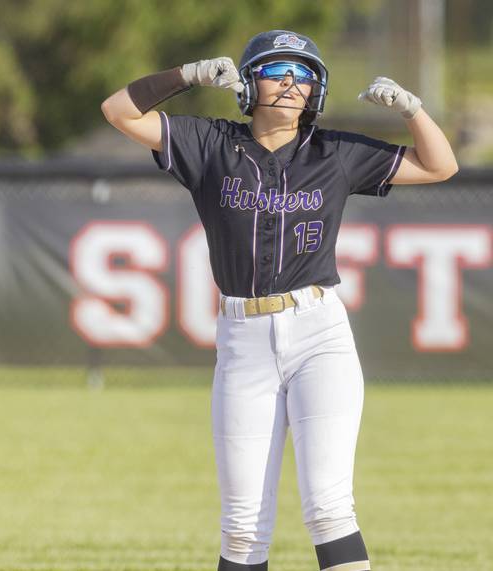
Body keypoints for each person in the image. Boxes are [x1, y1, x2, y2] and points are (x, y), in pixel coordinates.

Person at [101, 30, 457, 571]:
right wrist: (188, 75)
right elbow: (119, 111)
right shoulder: (212, 144)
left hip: (319, 333)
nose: (293, 84)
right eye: (277, 71)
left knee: (329, 509)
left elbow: (440, 166)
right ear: (247, 83)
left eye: (305, 74)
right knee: (242, 529)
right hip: (243, 340)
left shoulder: (334, 152)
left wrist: (413, 110)